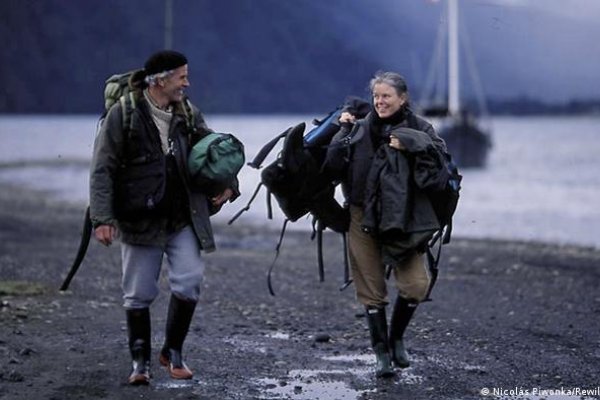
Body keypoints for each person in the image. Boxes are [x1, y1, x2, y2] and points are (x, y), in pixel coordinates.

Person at [89, 50, 236, 385]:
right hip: (140, 220)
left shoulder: (188, 112)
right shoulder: (123, 114)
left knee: (189, 282)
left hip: (184, 217)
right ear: (160, 80)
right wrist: (102, 218)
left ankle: (173, 352)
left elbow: (215, 153)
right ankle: (139, 362)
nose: (187, 83)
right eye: (182, 76)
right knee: (138, 292)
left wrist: (230, 186)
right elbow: (102, 170)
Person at [324, 71, 447, 378]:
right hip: (361, 216)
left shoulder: (421, 127)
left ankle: (396, 339)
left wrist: (413, 144)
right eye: (376, 96)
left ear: (402, 98)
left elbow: (441, 168)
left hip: (404, 219)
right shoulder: (359, 128)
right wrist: (341, 133)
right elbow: (332, 167)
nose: (379, 101)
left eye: (386, 96)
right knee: (371, 288)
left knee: (416, 284)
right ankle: (381, 353)